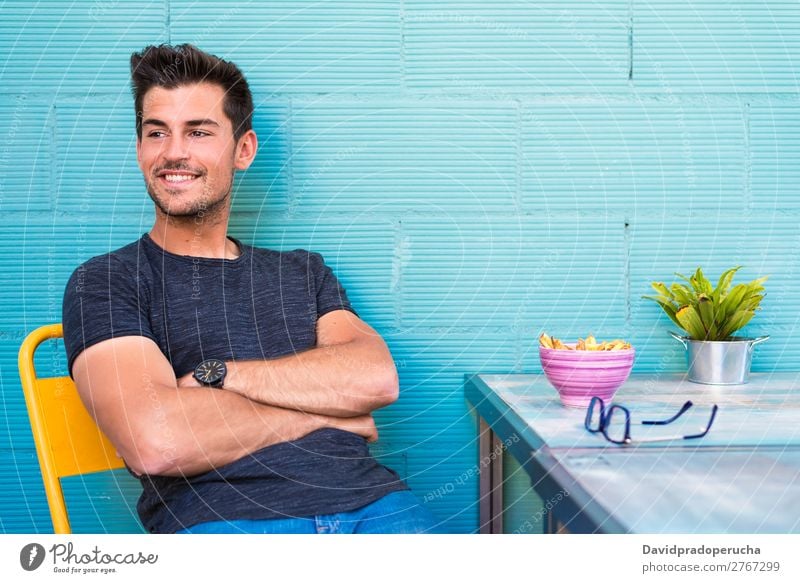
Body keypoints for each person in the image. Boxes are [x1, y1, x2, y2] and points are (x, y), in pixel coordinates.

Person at [62, 44, 438, 534]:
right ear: (139, 150)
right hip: (227, 523)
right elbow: (156, 441)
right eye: (157, 132)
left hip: (377, 506)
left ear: (243, 150)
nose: (175, 151)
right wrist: (327, 415)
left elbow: (375, 379)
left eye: (198, 132)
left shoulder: (303, 272)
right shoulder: (108, 281)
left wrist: (216, 378)